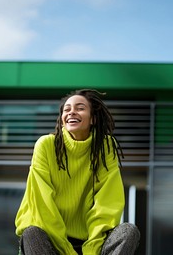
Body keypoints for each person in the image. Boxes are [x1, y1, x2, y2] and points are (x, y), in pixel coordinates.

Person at [15, 89, 140, 255]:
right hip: (50, 238)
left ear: (93, 118)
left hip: (91, 242)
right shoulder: (45, 145)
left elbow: (107, 205)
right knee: (32, 233)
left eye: (80, 108)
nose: (71, 112)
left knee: (128, 231)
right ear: (61, 119)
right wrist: (67, 250)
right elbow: (42, 206)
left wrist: (91, 250)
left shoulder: (105, 147)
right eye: (66, 110)